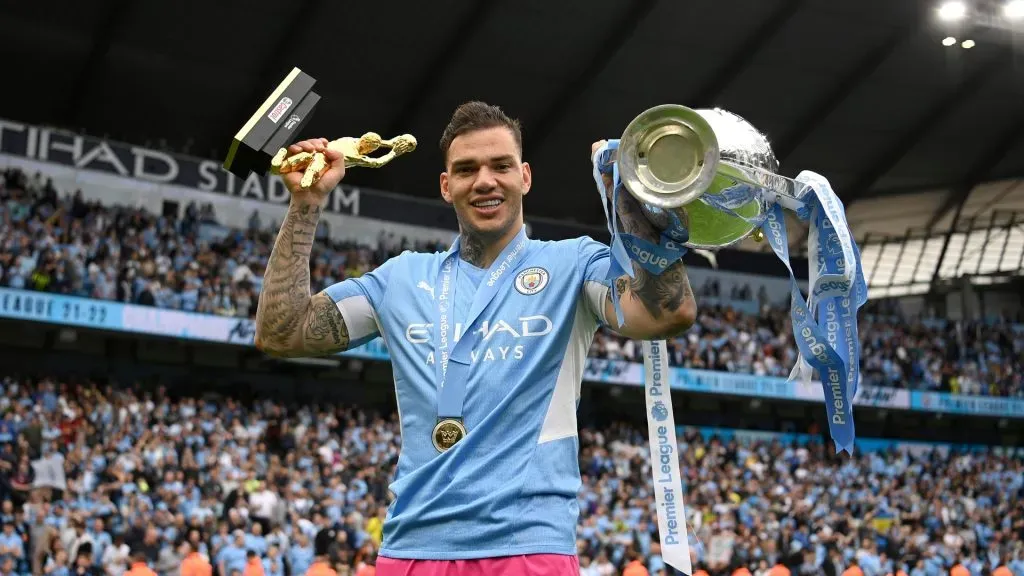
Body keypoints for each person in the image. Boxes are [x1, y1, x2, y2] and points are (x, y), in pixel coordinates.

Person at [255, 101, 697, 575]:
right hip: (412, 550)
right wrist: (305, 205)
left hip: (529, 548)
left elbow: (666, 313)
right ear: (447, 186)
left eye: (500, 166)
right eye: (466, 170)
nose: (485, 180)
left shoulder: (574, 265)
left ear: (524, 177)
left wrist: (630, 201)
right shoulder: (402, 278)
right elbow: (282, 333)